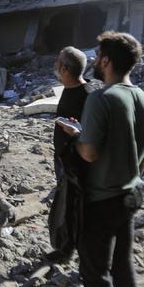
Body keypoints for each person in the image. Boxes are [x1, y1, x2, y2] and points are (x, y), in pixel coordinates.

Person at [58, 31, 144, 287]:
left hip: (100, 201)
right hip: (130, 194)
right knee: (123, 266)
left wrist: (75, 137)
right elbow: (142, 159)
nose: (96, 62)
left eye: (99, 56)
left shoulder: (102, 99)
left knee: (96, 276)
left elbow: (89, 152)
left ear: (107, 61)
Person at [47, 46, 90, 262]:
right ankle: (66, 248)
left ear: (65, 68)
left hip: (78, 161)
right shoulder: (68, 89)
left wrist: (75, 132)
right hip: (63, 158)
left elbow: (93, 133)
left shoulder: (88, 95)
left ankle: (75, 251)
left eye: (58, 62)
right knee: (66, 205)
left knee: (75, 207)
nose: (55, 65)